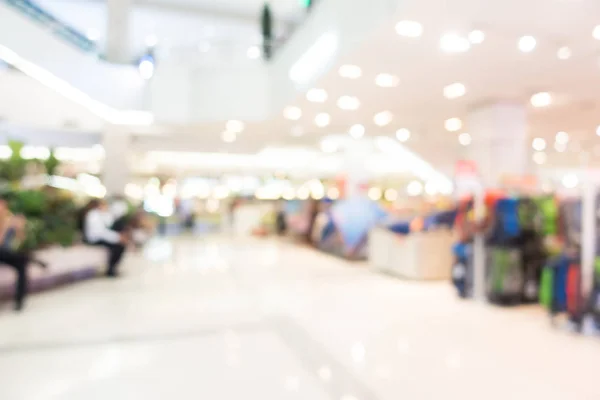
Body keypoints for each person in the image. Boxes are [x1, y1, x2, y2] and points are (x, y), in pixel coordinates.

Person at [0, 199, 46, 311]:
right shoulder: (5, 223)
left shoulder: (9, 219)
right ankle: (32, 260)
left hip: (6, 254)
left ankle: (19, 301)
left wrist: (19, 228)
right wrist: (6, 227)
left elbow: (19, 242)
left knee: (22, 266)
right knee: (22, 260)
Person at [82, 199, 128, 277]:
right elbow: (100, 232)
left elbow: (109, 225)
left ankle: (112, 267)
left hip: (102, 237)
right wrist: (117, 238)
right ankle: (111, 269)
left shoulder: (103, 214)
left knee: (120, 246)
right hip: (94, 238)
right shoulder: (93, 215)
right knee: (118, 246)